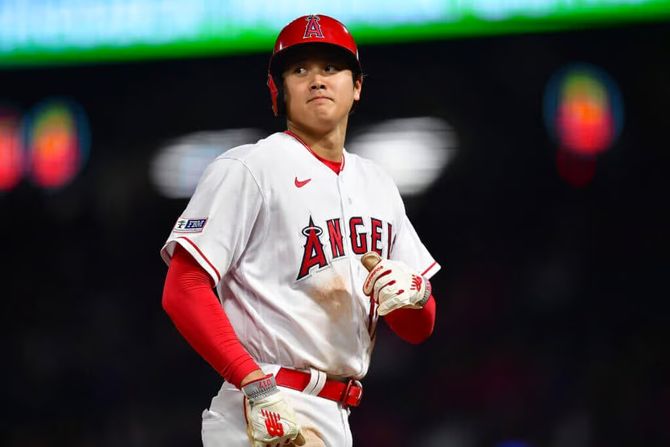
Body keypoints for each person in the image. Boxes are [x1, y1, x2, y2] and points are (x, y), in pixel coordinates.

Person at [160, 14, 441, 447]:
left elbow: (418, 328)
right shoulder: (250, 167)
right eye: (299, 69)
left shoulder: (379, 185)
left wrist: (415, 294)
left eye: (330, 67)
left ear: (357, 86)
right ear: (278, 91)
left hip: (336, 410)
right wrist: (252, 382)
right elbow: (184, 286)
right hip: (261, 401)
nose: (317, 80)